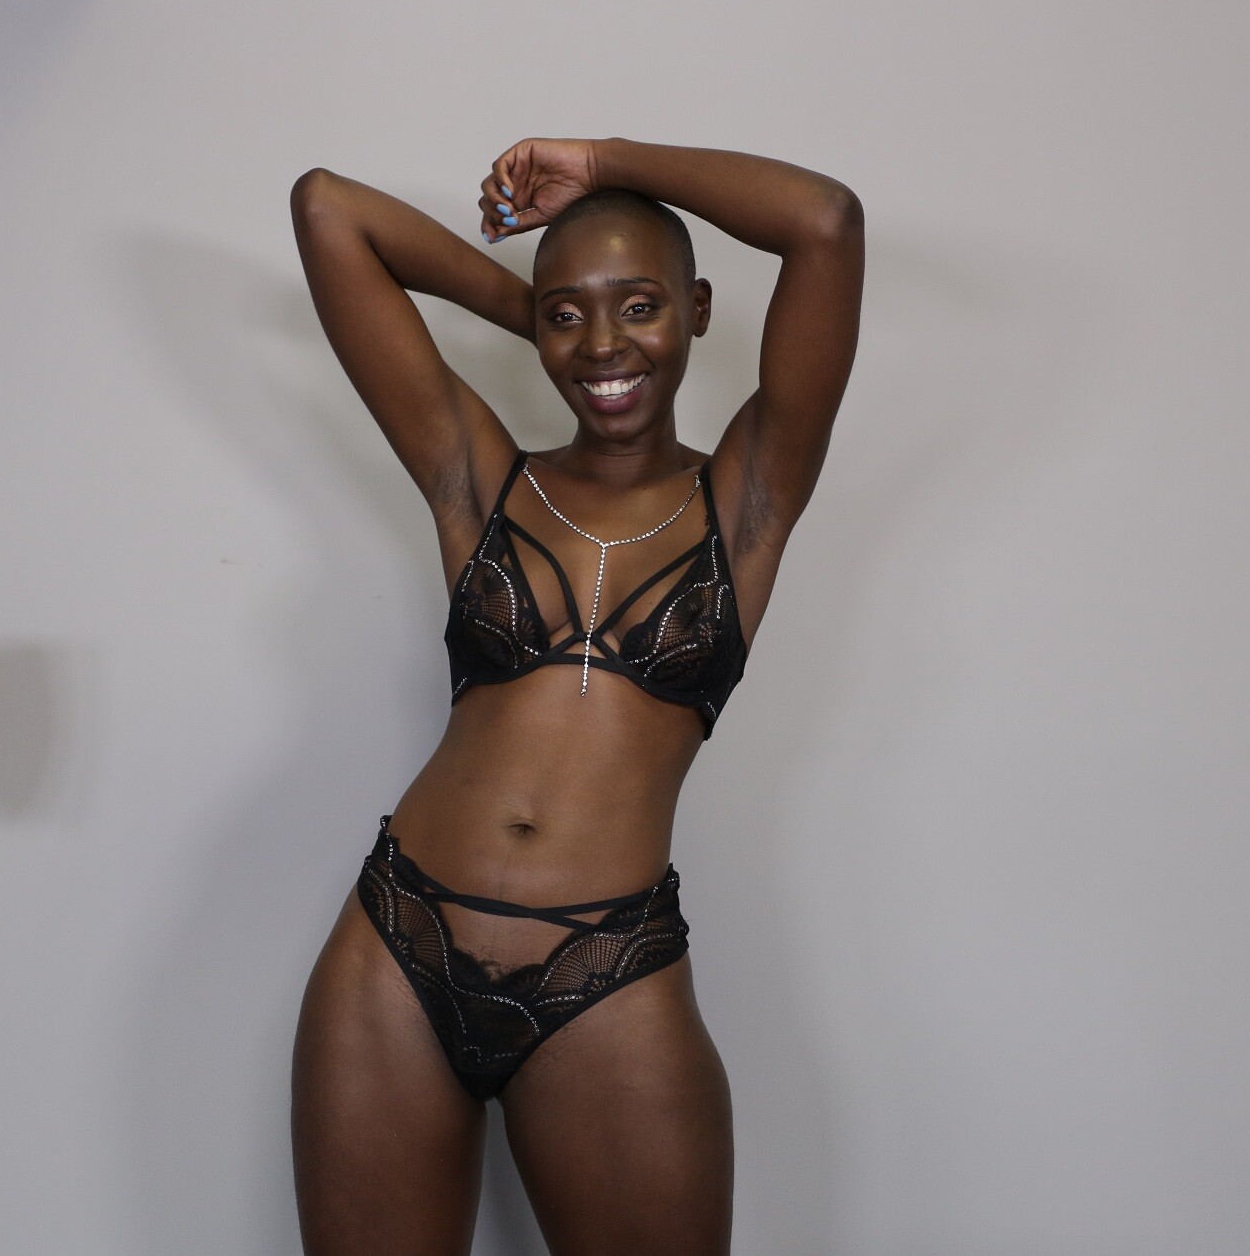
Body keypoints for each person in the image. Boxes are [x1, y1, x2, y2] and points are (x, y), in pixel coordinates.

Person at [288, 137, 863, 1256]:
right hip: (397, 945)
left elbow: (825, 223)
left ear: (698, 310)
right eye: (569, 319)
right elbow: (328, 211)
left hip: (606, 968)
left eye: (639, 307)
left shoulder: (748, 497)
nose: (603, 345)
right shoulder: (479, 478)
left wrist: (599, 159)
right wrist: (541, 314)